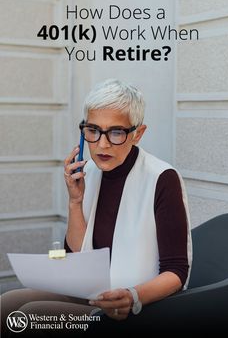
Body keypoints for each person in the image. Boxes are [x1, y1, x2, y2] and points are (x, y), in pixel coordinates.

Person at [1, 79, 192, 335]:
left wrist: (132, 296)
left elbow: (177, 271)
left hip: (137, 305)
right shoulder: (89, 171)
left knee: (29, 317)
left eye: (116, 132)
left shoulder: (162, 178)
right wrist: (75, 202)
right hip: (93, 293)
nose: (102, 144)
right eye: (93, 130)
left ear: (138, 133)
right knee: (7, 305)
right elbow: (80, 255)